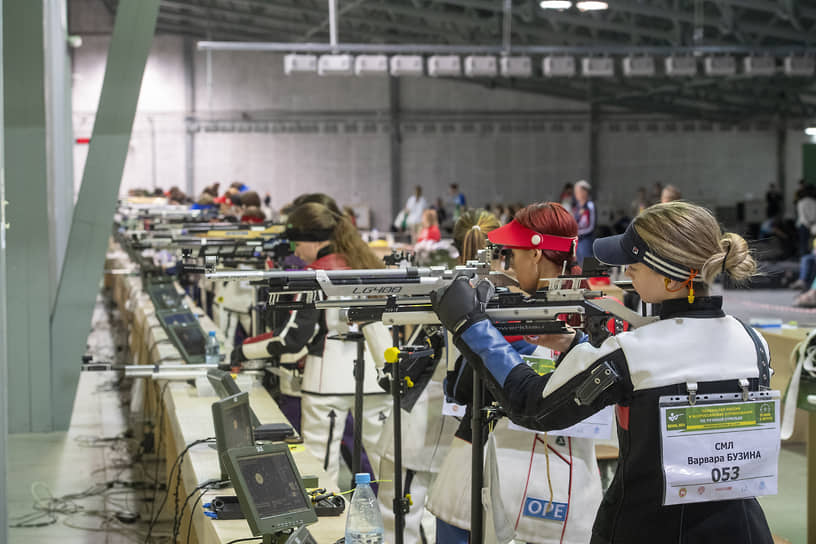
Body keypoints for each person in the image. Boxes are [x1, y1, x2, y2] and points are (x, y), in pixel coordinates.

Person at [430, 201, 774, 544]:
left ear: (669, 276)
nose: (627, 269)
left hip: (645, 530)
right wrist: (574, 344)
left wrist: (471, 327)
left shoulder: (632, 351)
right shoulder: (754, 342)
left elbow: (533, 405)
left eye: (635, 261)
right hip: (742, 531)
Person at [427, 205, 603, 544]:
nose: (511, 263)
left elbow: (463, 392)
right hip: (572, 489)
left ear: (536, 253)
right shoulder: (594, 315)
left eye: (514, 254)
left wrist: (473, 326)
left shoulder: (510, 317)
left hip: (492, 485)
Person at [232, 202, 392, 488]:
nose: (295, 251)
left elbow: (292, 337)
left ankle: (324, 533)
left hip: (325, 381)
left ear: (315, 240)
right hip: (375, 379)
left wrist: (243, 351)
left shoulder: (313, 275)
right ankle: (393, 531)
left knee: (321, 470)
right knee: (386, 467)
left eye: (297, 243)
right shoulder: (367, 265)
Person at [572, 180, 596, 265]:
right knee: (578, 263)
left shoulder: (590, 206)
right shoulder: (576, 207)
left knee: (587, 263)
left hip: (586, 239)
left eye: (578, 191)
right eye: (575, 192)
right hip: (577, 239)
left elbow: (591, 226)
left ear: (585, 192)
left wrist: (579, 233)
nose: (576, 194)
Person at [796, 184, 816, 256]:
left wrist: (808, 225)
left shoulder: (801, 202)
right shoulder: (814, 202)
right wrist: (811, 226)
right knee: (812, 245)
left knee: (803, 244)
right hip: (813, 226)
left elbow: (802, 216)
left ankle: (804, 261)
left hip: (804, 225)